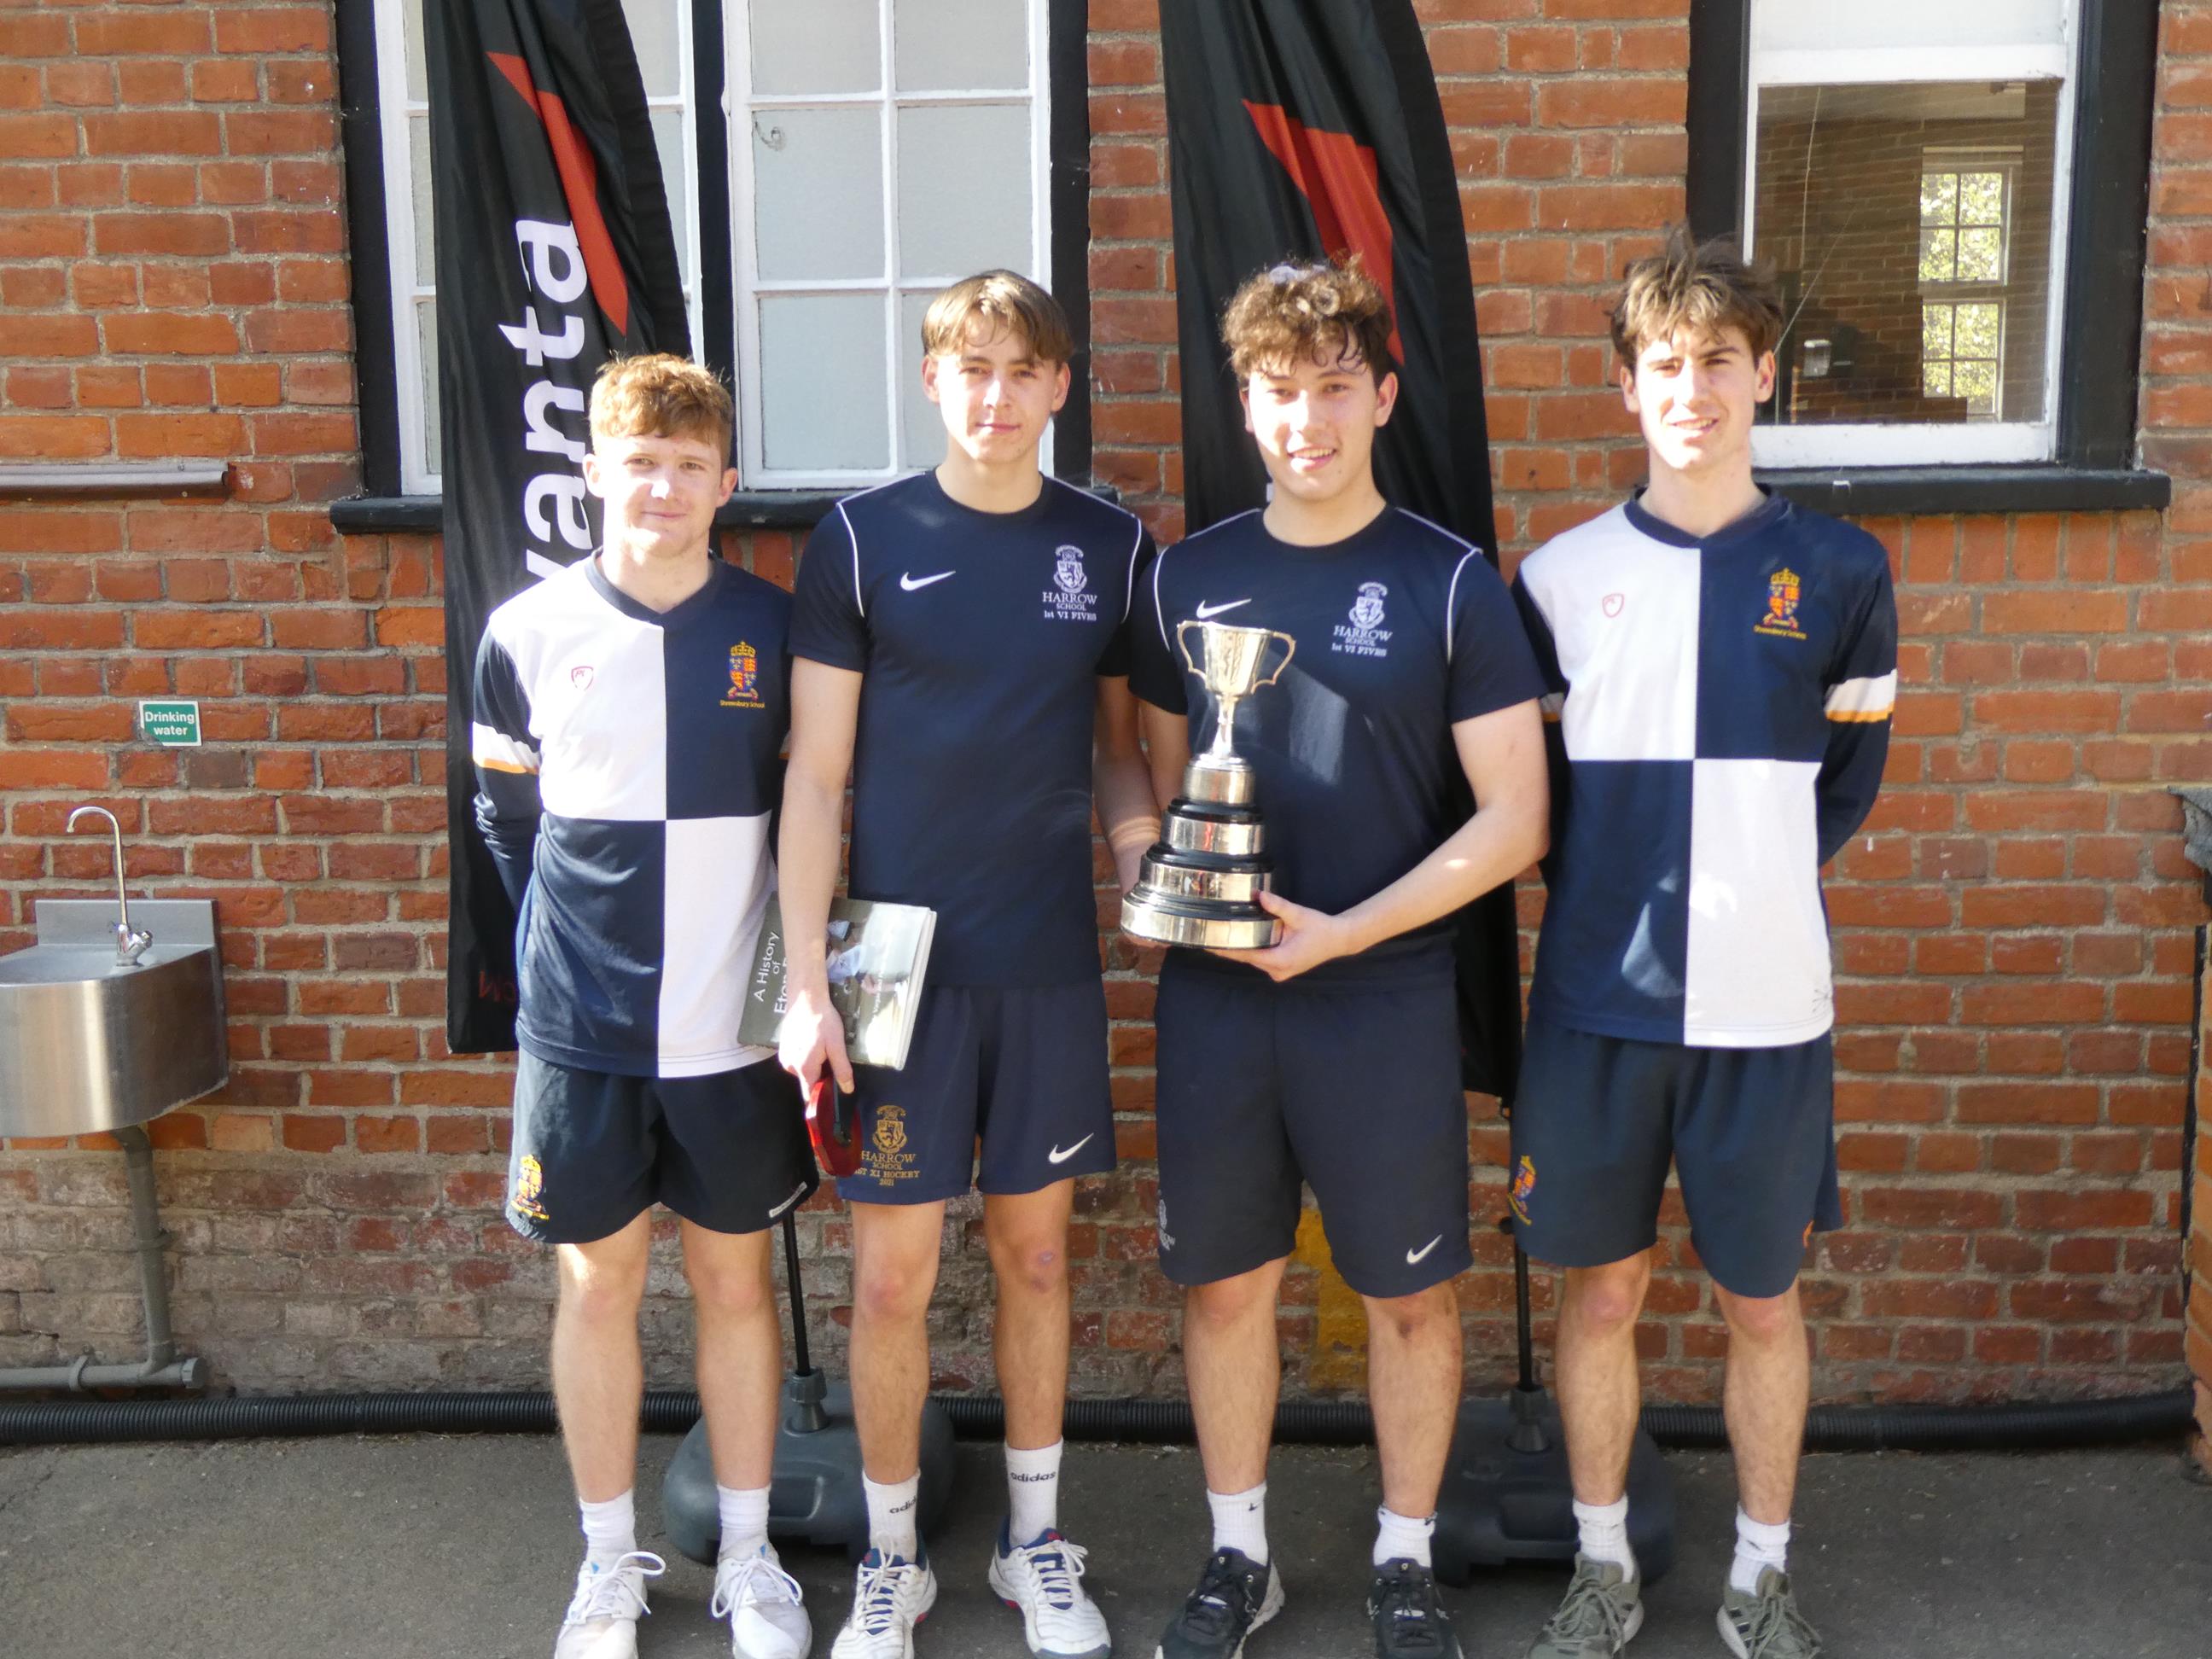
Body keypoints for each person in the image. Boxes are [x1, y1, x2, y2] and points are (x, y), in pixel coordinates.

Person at [1127, 259, 1549, 1659]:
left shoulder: (1447, 584)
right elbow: (1152, 776)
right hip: (1220, 997)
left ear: (1380, 394)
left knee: (1410, 1294)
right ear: (1244, 406)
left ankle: (1407, 1556)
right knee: (1229, 1285)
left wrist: (1349, 932)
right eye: (1276, 393)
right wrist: (1147, 865)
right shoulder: (1185, 578)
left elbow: (1516, 818)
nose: (1305, 419)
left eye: (1330, 389)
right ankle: (1238, 1554)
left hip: (1376, 994)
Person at [1510, 229, 1896, 1659]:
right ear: (1626, 386)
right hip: (1598, 1007)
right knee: (1600, 1290)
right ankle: (1603, 1566)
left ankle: (1761, 1578)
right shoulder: (1556, 578)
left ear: (1766, 378)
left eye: (1720, 362)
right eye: (1665, 364)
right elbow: (1530, 806)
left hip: (1766, 1013)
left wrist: (1742, 889)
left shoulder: (1842, 571)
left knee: (1759, 1298)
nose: (1695, 389)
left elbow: (1841, 789)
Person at [777, 270, 1160, 1659]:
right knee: (889, 1277)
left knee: (1037, 1259)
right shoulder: (862, 542)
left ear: (1061, 386)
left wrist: (1140, 871)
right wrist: (804, 979)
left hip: (1045, 956)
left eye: (1023, 371)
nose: (996, 397)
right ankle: (893, 1560)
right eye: (970, 369)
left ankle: (1034, 1544)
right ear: (930, 381)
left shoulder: (1111, 549)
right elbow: (815, 781)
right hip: (888, 966)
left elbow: (1119, 755)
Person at [471, 354, 817, 1659]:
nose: (663, 485)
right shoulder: (527, 628)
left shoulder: (776, 629)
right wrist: (577, 957)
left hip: (733, 1028)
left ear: (725, 483)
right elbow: (507, 822)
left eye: (689, 464)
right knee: (598, 1281)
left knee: (737, 1284)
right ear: (593, 474)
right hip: (584, 1026)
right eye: (639, 460)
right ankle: (610, 1566)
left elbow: (815, 816)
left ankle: (749, 1555)